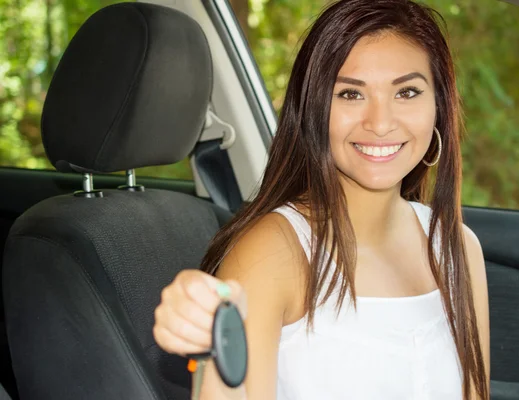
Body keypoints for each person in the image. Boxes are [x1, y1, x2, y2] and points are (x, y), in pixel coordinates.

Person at [153, 0, 490, 398]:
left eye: (407, 92)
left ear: (438, 107)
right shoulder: (273, 253)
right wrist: (206, 337)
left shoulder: (459, 249)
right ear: (314, 109)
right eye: (350, 94)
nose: (380, 123)